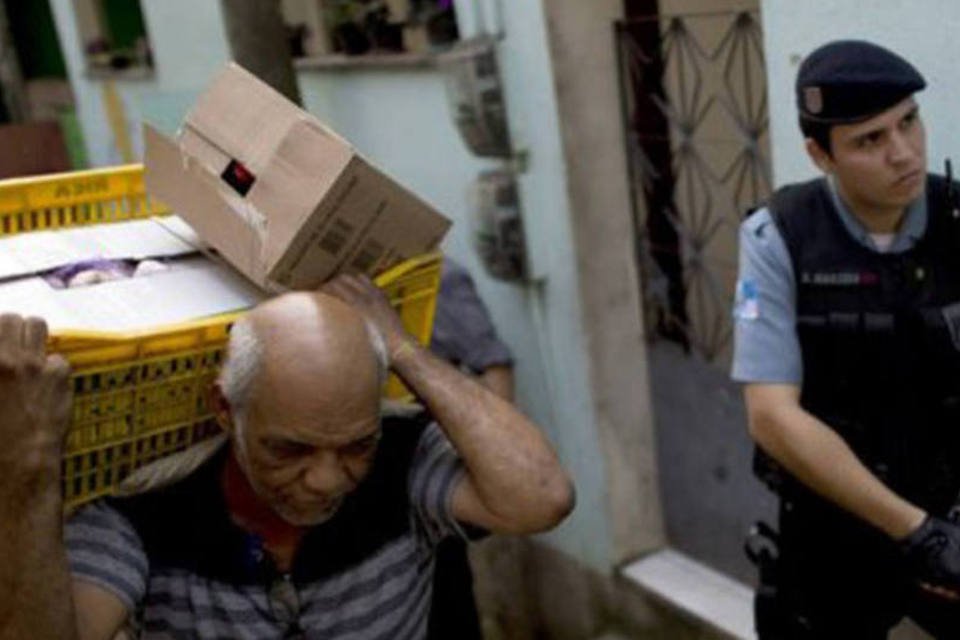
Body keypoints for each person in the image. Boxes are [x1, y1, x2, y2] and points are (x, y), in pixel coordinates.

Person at [0, 274, 574, 639]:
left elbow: (542, 497)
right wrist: (28, 463)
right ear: (226, 410)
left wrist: (399, 347)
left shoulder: (403, 461)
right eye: (289, 449)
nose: (326, 481)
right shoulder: (145, 512)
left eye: (356, 446)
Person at [733, 39, 960, 638]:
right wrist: (916, 530)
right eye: (870, 140)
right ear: (820, 154)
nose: (904, 153)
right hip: (836, 531)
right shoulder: (778, 237)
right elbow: (772, 417)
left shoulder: (957, 218)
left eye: (908, 121)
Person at [427, 258, 515, 640]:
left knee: (448, 613)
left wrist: (495, 468)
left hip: (428, 496)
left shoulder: (435, 275)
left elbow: (493, 367)